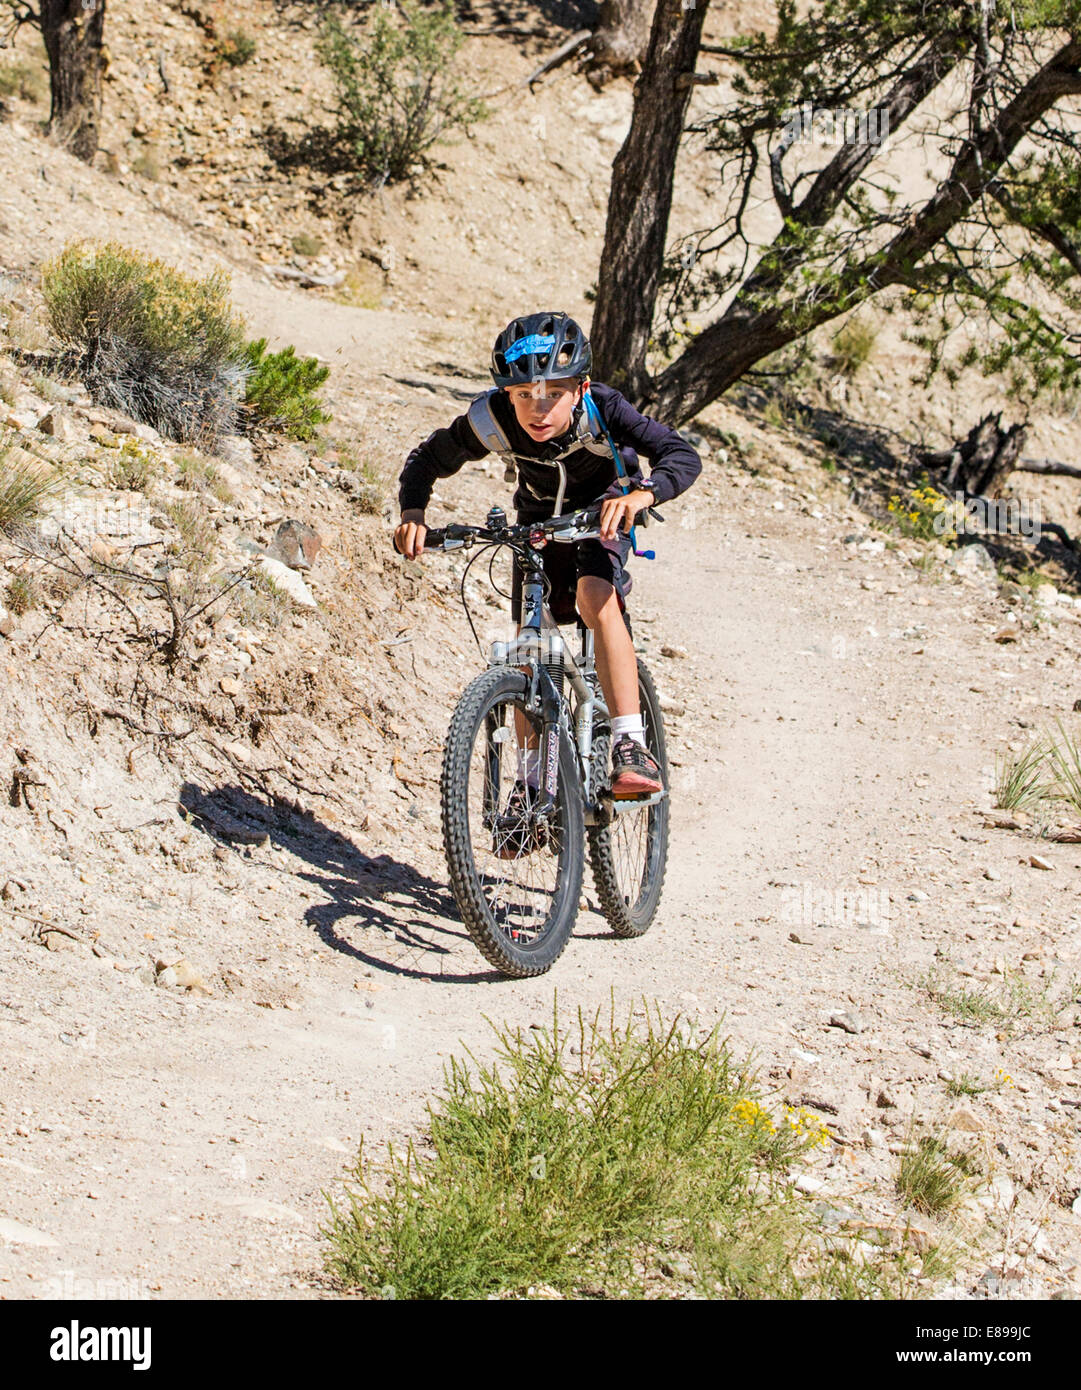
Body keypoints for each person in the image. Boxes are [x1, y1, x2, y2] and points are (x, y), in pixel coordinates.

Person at [394, 310, 700, 814]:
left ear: (579, 388)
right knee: (529, 646)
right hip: (537, 519)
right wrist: (413, 513)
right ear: (506, 394)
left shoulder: (605, 408)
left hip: (605, 508)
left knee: (594, 597)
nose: (538, 410)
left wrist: (643, 496)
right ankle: (532, 787)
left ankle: (629, 742)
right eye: (523, 396)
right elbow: (426, 459)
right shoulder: (489, 417)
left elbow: (681, 455)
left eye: (553, 394)